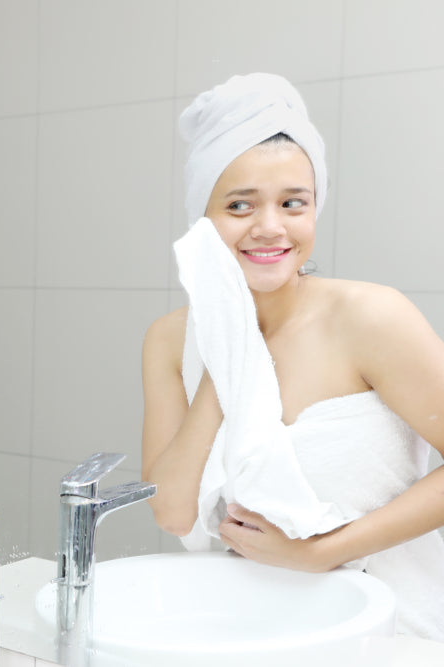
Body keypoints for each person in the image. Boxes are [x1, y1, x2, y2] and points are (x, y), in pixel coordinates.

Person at [141, 72, 444, 640]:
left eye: (293, 203)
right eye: (239, 205)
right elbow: (173, 512)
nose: (270, 227)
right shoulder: (169, 339)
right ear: (202, 219)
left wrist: (320, 552)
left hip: (392, 631)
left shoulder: (370, 317)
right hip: (254, 630)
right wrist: (228, 356)